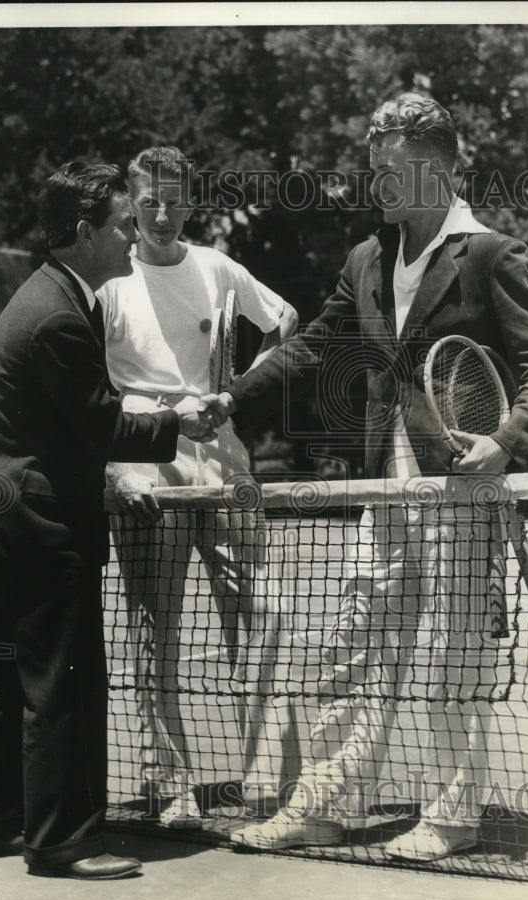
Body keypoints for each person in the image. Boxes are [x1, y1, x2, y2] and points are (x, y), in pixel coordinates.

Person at [203, 93, 528, 861]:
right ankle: (324, 806)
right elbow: (308, 347)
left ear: (438, 171)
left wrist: (504, 442)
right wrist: (228, 397)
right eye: (373, 169)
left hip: (462, 487)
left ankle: (449, 816)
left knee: (452, 652)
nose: (378, 183)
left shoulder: (489, 254)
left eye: (393, 169)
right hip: (384, 485)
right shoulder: (366, 260)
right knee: (355, 642)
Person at [0, 162, 216, 880]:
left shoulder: (62, 297)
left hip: (15, 517)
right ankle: (64, 842)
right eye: (122, 224)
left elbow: (75, 425)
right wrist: (180, 423)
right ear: (81, 233)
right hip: (42, 525)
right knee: (64, 686)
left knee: (11, 672)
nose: (133, 236)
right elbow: (99, 427)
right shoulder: (61, 313)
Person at [98, 146, 302, 828]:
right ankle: (173, 784)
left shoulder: (217, 267)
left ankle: (266, 781)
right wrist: (115, 463)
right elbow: (84, 390)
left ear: (191, 202)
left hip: (225, 461)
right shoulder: (106, 283)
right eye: (148, 201)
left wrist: (236, 395)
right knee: (153, 629)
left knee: (262, 613)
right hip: (144, 465)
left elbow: (287, 322)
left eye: (174, 201)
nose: (161, 214)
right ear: (129, 204)